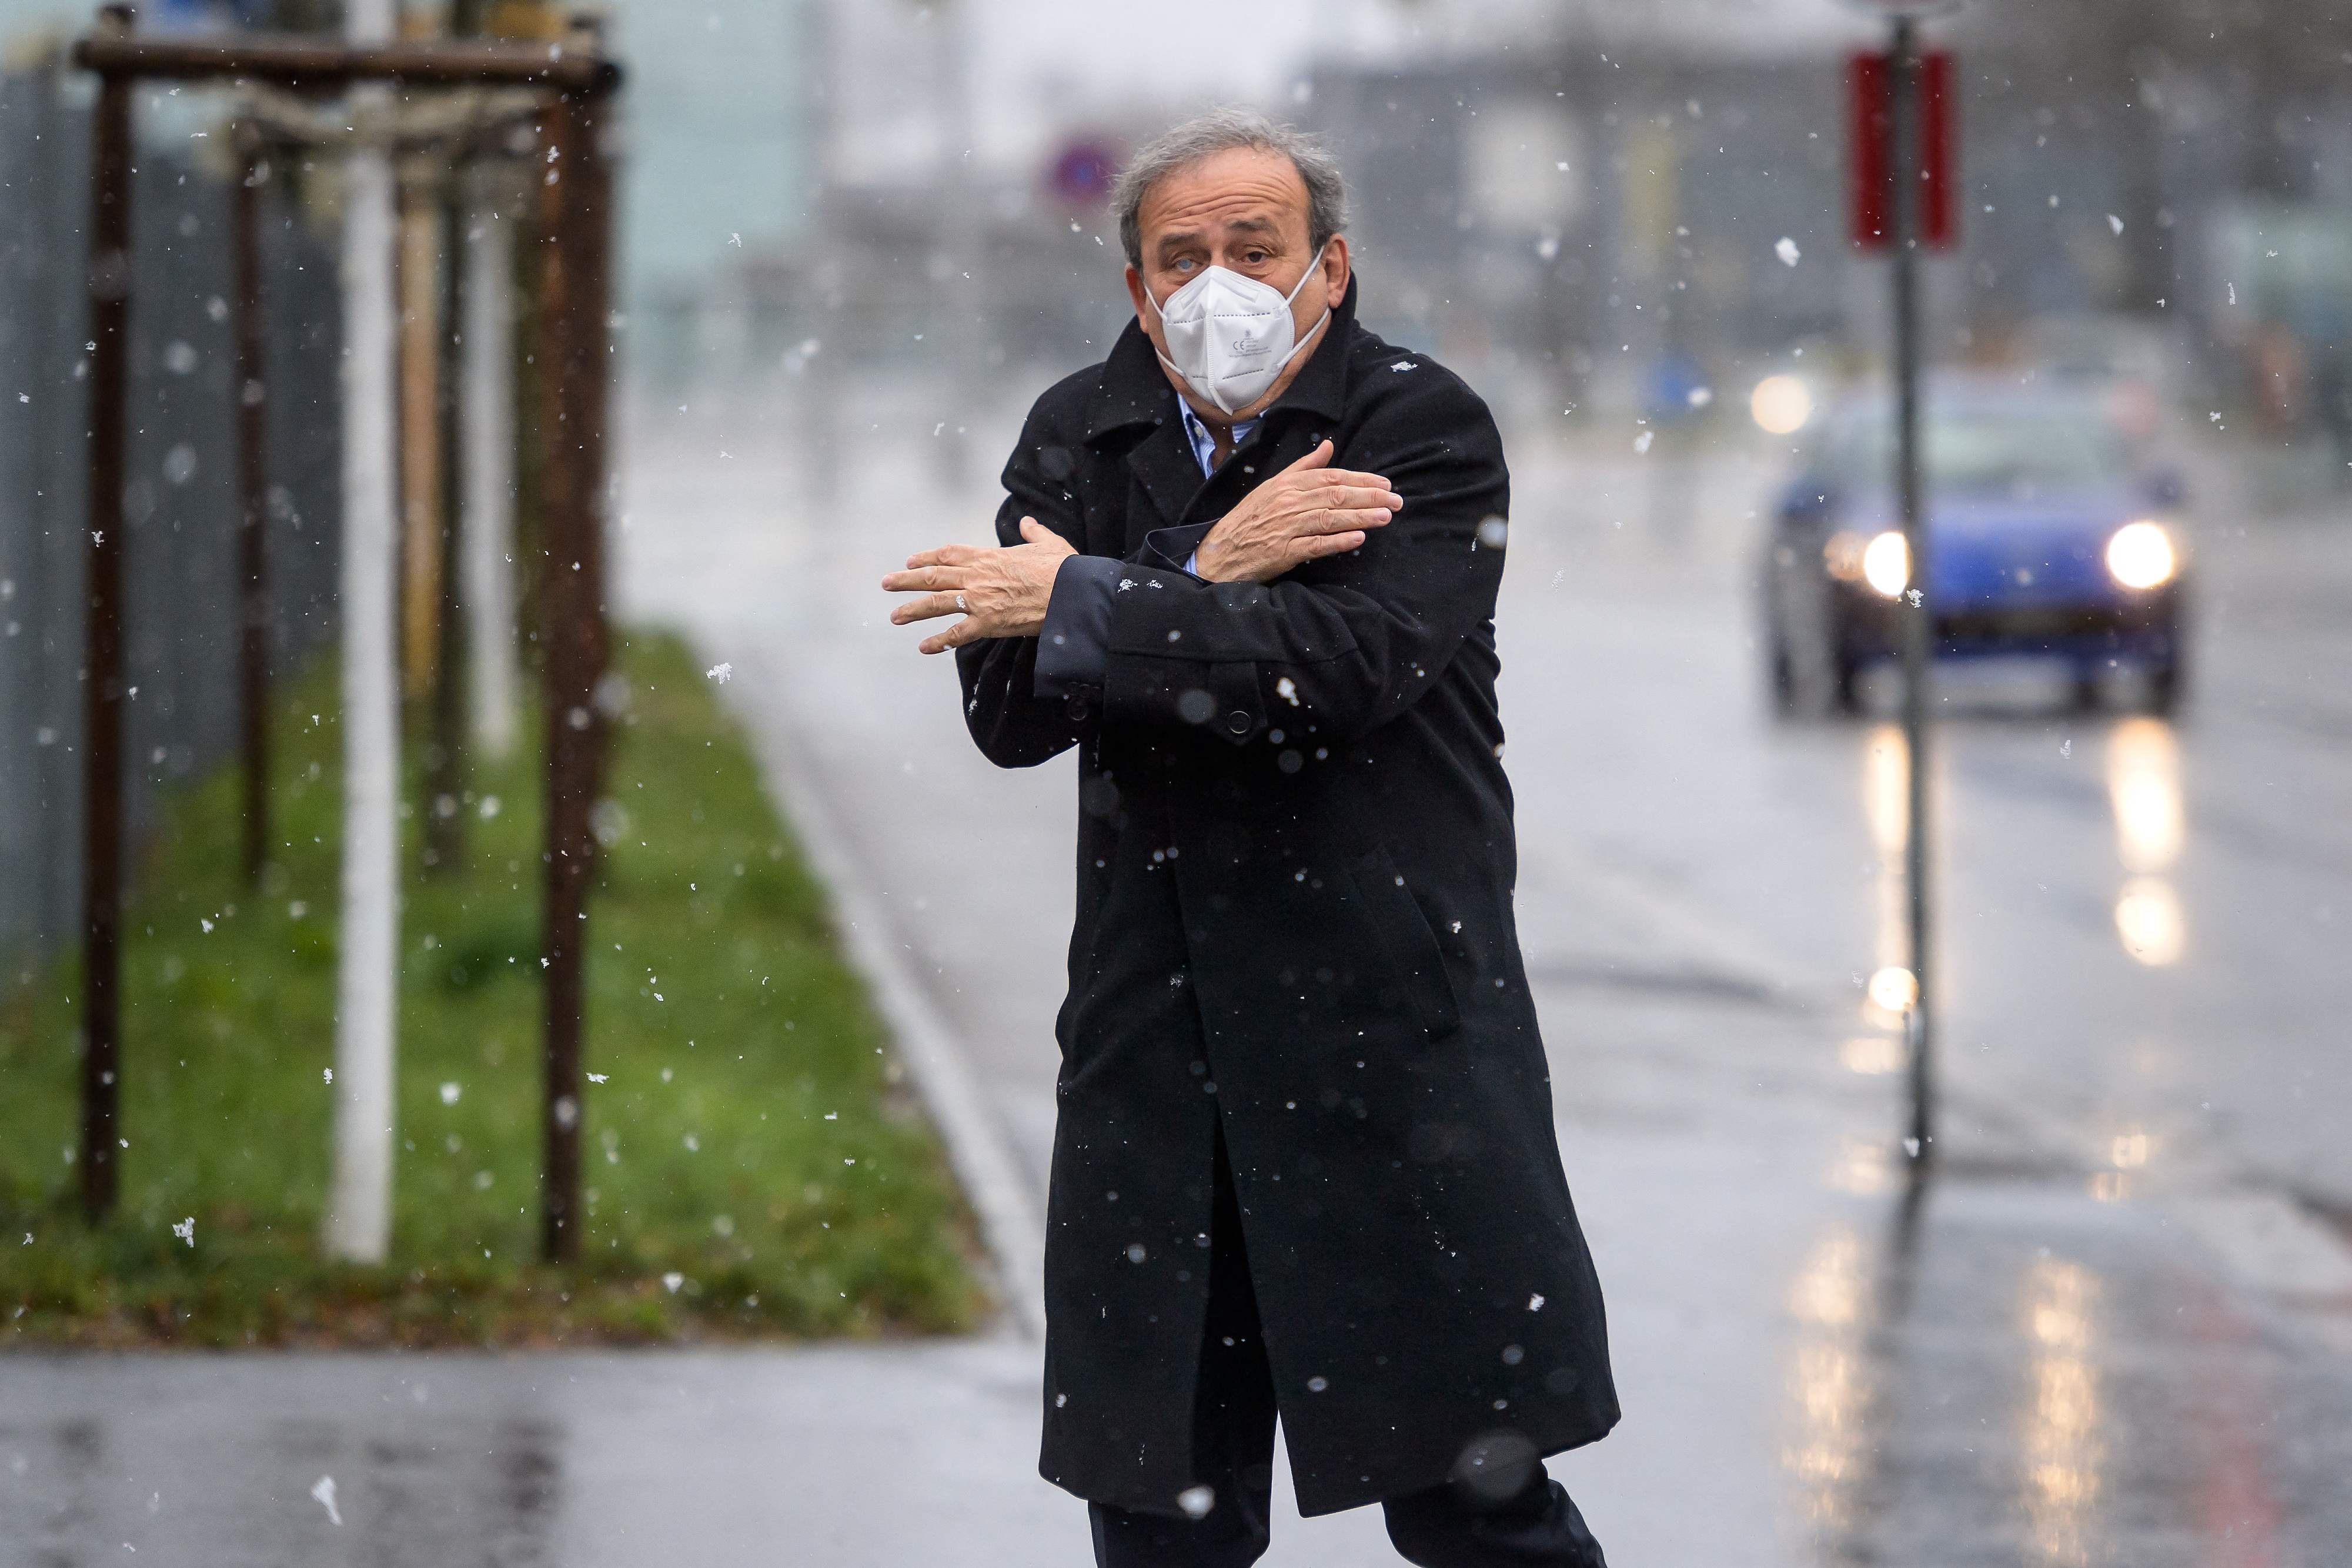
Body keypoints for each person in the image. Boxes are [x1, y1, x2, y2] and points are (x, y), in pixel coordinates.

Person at [881, 109, 1617, 1568]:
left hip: (1387, 1043)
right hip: (1159, 1055)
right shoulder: (1078, 430)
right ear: (1137, 286)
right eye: (1180, 253)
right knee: (1159, 1512)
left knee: (1475, 1501)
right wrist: (1200, 567)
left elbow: (1336, 671)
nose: (1216, 279)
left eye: (1252, 247)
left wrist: (1092, 602)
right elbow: (1008, 706)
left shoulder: (1420, 426)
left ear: (1326, 268)